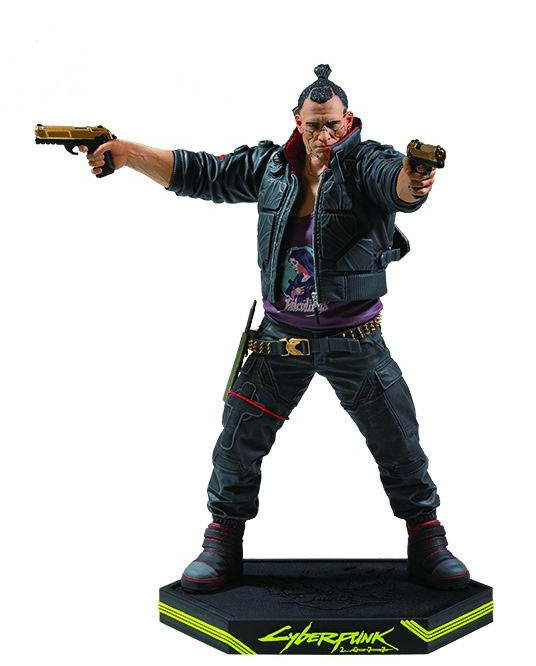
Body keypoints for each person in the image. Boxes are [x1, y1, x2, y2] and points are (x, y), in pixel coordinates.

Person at [80, 64, 469, 593]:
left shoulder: (367, 164)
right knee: (237, 442)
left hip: (355, 340)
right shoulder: (272, 167)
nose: (323, 135)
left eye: (332, 124)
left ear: (349, 120)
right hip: (278, 340)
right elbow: (204, 173)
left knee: (398, 441)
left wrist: (415, 177)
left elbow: (398, 186)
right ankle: (222, 537)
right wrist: (129, 153)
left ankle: (426, 536)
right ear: (296, 121)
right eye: (313, 125)